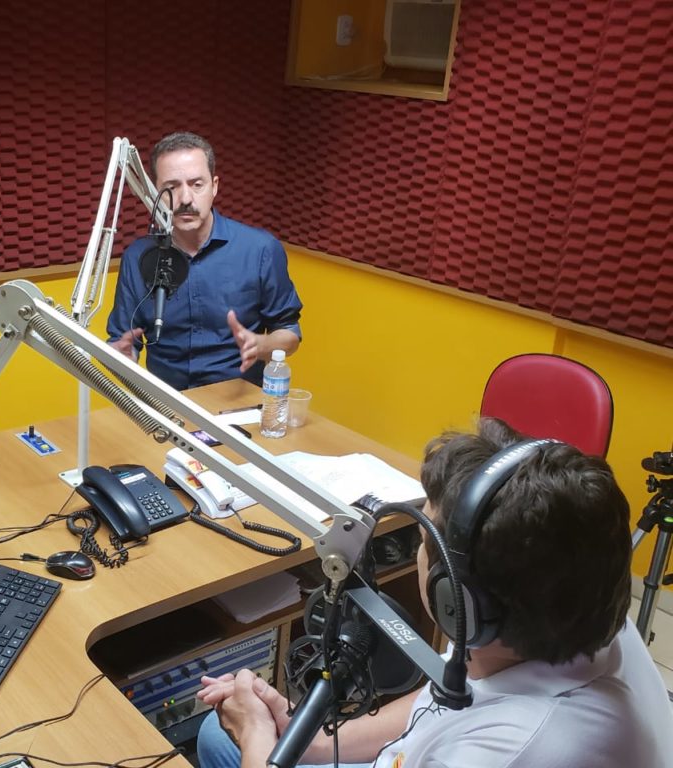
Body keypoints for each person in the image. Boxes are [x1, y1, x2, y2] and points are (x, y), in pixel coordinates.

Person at [195, 418, 673, 768]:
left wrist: (256, 735)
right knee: (223, 732)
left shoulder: (513, 752)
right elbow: (448, 697)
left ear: (458, 602)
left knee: (224, 737)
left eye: (423, 539)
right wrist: (317, 743)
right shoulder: (570, 594)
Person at [106, 131, 302, 391]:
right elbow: (121, 339)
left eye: (197, 184)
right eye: (172, 187)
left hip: (238, 402)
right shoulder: (138, 257)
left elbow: (289, 333)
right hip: (166, 402)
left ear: (214, 186)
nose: (186, 199)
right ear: (155, 193)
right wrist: (123, 357)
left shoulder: (261, 249)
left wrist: (261, 345)